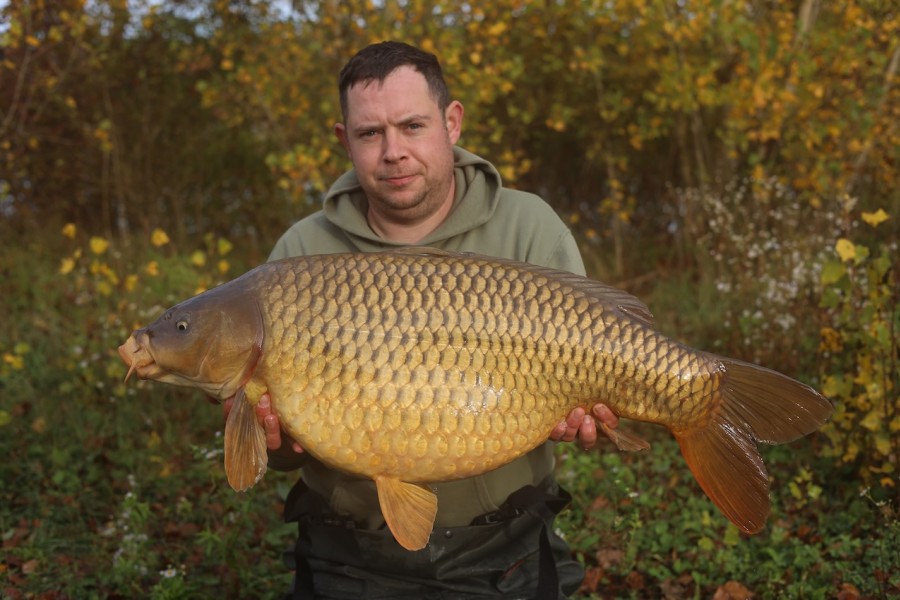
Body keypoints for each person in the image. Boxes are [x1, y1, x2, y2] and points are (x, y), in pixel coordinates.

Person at [238, 41, 619, 599]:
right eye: (370, 134)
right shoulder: (301, 253)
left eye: (412, 126)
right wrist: (279, 442)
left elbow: (590, 385)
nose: (393, 151)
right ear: (346, 141)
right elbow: (279, 454)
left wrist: (593, 415)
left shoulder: (529, 228)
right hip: (347, 555)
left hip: (505, 548)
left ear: (452, 122)